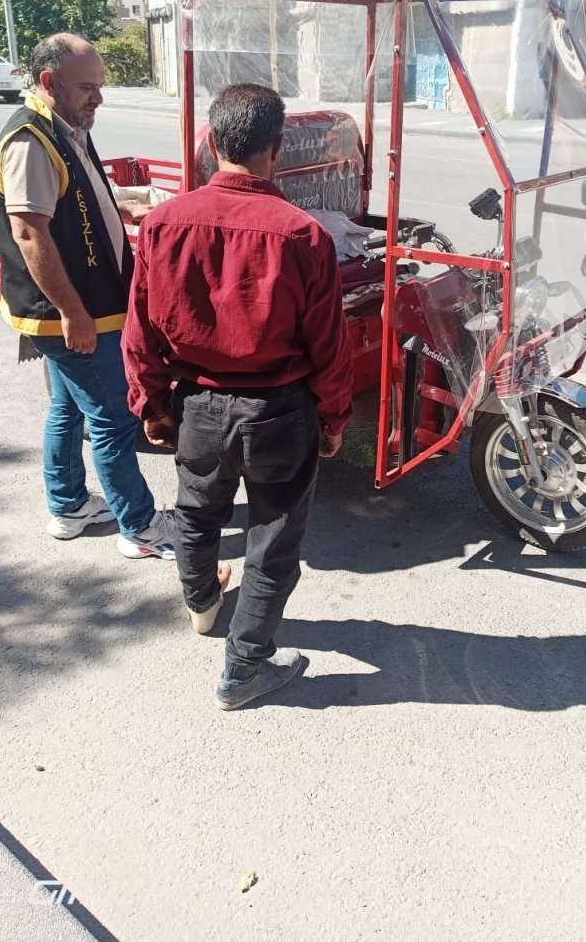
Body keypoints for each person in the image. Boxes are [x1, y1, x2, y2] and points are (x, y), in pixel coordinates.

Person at [122, 83, 354, 710]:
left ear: (211, 143)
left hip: (198, 402)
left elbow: (139, 332)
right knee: (273, 541)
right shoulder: (303, 234)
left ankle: (202, 603)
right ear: (276, 149)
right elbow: (330, 347)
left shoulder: (162, 223)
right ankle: (245, 668)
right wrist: (334, 418)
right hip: (280, 411)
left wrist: (153, 404)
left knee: (197, 515)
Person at [0, 32, 177, 559]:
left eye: (100, 87)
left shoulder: (66, 127)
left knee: (70, 409)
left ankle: (69, 505)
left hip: (83, 305)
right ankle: (139, 526)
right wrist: (74, 313)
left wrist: (126, 208)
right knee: (113, 416)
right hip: (69, 312)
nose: (98, 98)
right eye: (86, 88)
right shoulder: (30, 140)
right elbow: (30, 234)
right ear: (49, 82)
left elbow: (81, 195)